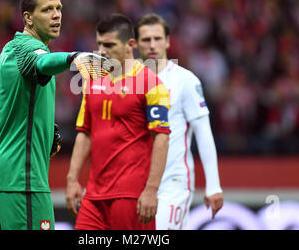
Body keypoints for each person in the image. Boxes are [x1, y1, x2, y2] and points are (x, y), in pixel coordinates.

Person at [0, 0, 103, 230]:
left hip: (1, 175)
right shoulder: (29, 49)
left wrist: (35, 128)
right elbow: (42, 63)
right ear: (28, 18)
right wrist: (73, 58)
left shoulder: (8, 49)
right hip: (23, 178)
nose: (56, 15)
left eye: (58, 8)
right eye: (47, 10)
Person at [65, 13, 171, 230]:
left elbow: (161, 138)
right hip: (94, 196)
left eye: (109, 44)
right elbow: (85, 132)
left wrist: (151, 189)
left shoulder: (151, 83)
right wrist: (72, 178)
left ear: (130, 45)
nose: (102, 51)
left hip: (131, 195)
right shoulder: (93, 78)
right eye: (99, 44)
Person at [135, 13, 223, 230]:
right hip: (135, 182)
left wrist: (213, 185)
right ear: (135, 43)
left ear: (168, 41)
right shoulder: (128, 80)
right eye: (146, 40)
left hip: (173, 182)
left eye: (157, 38)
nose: (152, 44)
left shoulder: (185, 80)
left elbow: (203, 131)